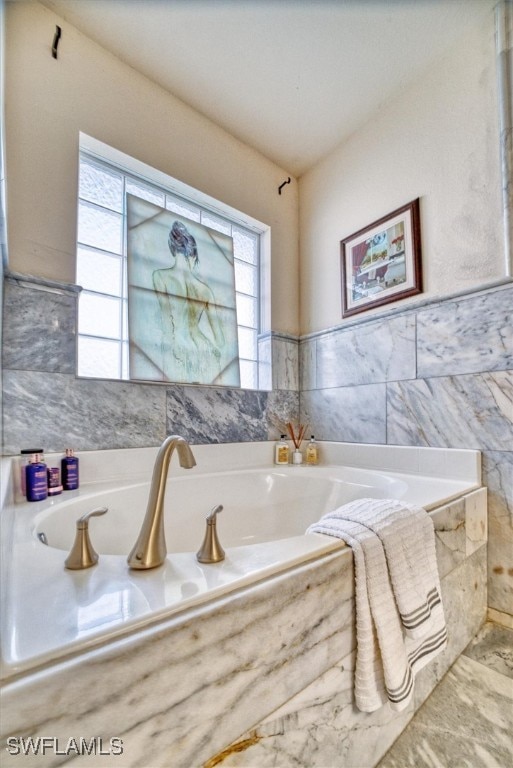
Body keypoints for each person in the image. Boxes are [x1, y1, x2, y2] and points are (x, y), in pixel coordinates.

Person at [152, 220, 225, 383]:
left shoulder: (160, 277)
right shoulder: (205, 290)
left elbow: (166, 322)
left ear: (173, 249)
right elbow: (220, 340)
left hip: (178, 347)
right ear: (192, 255)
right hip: (204, 351)